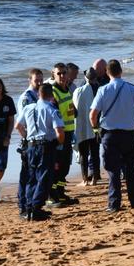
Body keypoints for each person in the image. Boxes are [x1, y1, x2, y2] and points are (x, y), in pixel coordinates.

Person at [90, 59, 134, 212]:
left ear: (107, 73)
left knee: (113, 171)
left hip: (109, 135)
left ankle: (114, 204)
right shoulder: (131, 88)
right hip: (128, 134)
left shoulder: (103, 90)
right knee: (130, 169)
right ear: (121, 71)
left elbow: (93, 115)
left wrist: (96, 129)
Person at [14, 83, 65, 221]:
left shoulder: (28, 108)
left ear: (38, 94)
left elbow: (17, 126)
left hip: (31, 146)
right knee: (44, 178)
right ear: (51, 95)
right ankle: (36, 208)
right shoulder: (51, 109)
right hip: (45, 146)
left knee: (31, 178)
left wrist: (26, 136)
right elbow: (60, 132)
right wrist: (57, 143)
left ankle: (29, 207)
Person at [47, 63, 79, 207]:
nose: (62, 76)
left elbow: (69, 110)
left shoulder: (66, 89)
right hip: (58, 134)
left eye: (64, 73)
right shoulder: (53, 91)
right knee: (56, 166)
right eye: (58, 73)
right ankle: (50, 196)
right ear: (53, 74)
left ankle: (60, 192)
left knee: (65, 166)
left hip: (69, 132)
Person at [15, 68, 43, 217]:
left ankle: (29, 204)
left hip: (37, 141)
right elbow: (21, 122)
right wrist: (27, 138)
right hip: (29, 142)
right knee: (26, 175)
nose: (39, 82)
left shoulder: (39, 95)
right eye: (36, 80)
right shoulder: (26, 97)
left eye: (40, 79)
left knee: (34, 175)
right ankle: (23, 206)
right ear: (30, 80)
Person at [72, 68, 100, 186]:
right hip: (95, 125)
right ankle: (94, 178)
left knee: (84, 153)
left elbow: (74, 108)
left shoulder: (79, 90)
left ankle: (85, 180)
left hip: (82, 126)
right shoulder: (99, 89)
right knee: (95, 152)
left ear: (85, 76)